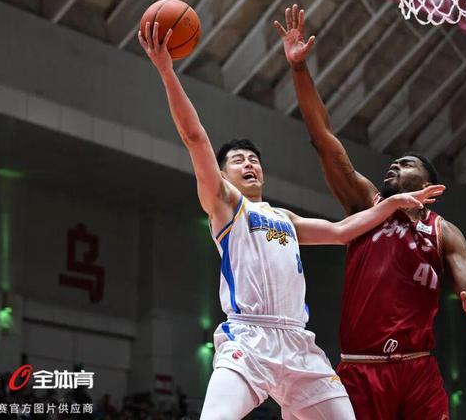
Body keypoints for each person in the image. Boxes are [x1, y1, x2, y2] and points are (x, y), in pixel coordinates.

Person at [138, 21, 445, 420]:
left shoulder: (283, 218)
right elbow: (194, 137)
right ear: (223, 174)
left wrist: (393, 204)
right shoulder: (225, 204)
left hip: (299, 346)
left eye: (254, 159)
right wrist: (166, 71)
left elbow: (341, 232)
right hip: (248, 338)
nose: (249, 164)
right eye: (238, 161)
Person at [276, 4, 466, 420]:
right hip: (362, 367)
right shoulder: (367, 205)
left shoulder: (444, 231)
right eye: (394, 162)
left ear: (428, 184)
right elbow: (323, 137)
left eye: (405, 164)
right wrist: (298, 69)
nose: (393, 166)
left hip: (417, 368)